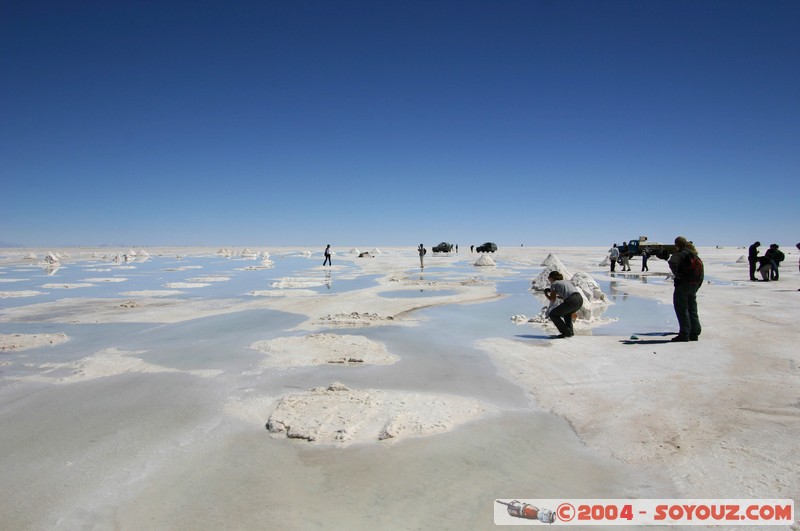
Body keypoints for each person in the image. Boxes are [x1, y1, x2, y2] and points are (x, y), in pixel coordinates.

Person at [667, 236, 703, 342]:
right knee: (692, 309)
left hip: (683, 285)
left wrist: (678, 275)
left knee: (682, 309)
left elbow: (672, 262)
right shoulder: (693, 254)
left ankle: (684, 334)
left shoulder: (680, 254)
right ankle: (694, 333)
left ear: (676, 244)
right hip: (694, 285)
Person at [543, 271, 583, 338]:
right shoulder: (565, 282)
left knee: (553, 314)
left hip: (571, 300)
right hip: (579, 299)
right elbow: (566, 293)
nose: (548, 279)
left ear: (552, 278)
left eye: (549, 277)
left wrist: (546, 294)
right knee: (567, 314)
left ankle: (566, 332)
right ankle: (570, 332)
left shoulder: (554, 283)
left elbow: (552, 299)